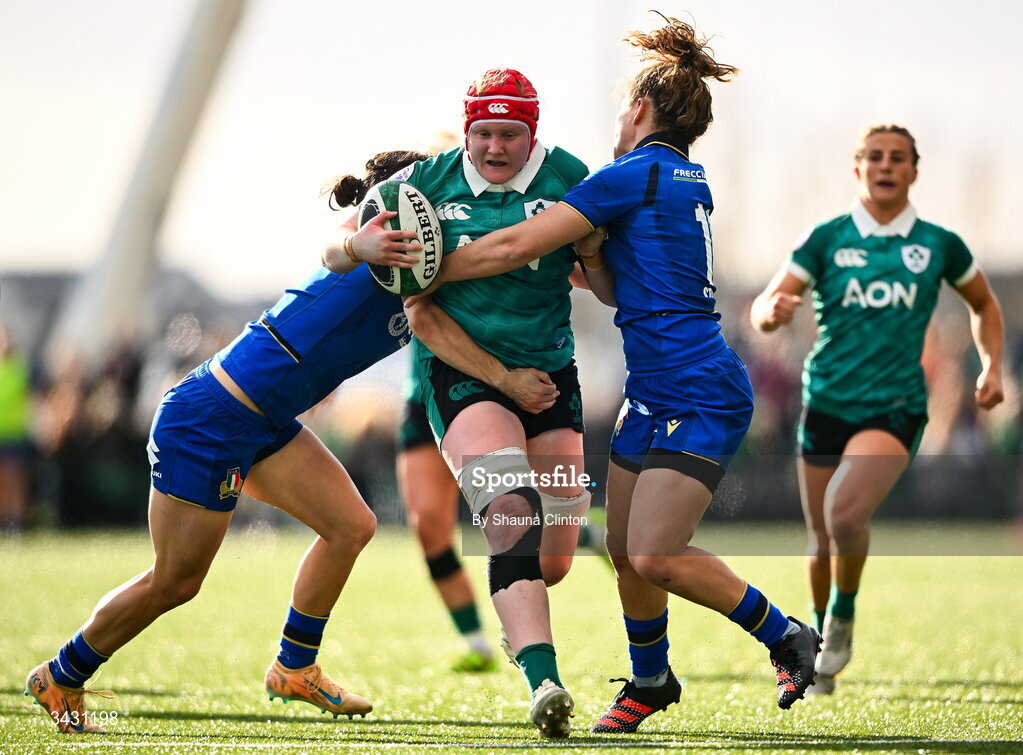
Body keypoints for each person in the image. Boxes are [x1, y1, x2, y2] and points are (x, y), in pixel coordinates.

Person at [24, 150, 555, 735]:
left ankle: (294, 665)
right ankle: (62, 672)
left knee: (352, 526)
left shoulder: (415, 277)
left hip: (265, 423)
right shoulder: (366, 244)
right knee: (176, 580)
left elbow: (488, 264)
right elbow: (336, 247)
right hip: (210, 418)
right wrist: (361, 247)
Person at [428, 14, 824, 733]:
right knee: (622, 549)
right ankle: (649, 679)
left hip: (697, 388)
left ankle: (787, 635)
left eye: (622, 106)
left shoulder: (630, 176)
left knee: (654, 552)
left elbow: (516, 242)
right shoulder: (678, 175)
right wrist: (583, 254)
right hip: (657, 389)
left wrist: (428, 268)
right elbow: (612, 282)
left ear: (638, 110)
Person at [326, 68, 591, 738]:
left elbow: (604, 279)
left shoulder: (569, 175)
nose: (495, 147)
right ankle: (544, 681)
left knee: (554, 557)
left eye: (510, 134)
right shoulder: (420, 189)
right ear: (465, 129)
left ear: (533, 133)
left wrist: (600, 254)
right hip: (468, 377)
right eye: (483, 133)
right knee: (508, 512)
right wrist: (356, 246)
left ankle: (516, 620)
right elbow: (404, 302)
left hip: (553, 376)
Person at [750, 124, 1005, 694]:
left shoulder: (939, 244)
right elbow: (766, 306)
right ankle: (814, 644)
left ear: (914, 171)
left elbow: (984, 305)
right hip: (825, 402)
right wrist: (774, 312)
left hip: (894, 407)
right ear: (856, 167)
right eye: (874, 156)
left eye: (897, 158)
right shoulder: (826, 237)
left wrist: (988, 366)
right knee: (819, 537)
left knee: (844, 512)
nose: (885, 165)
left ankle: (840, 621)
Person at [395, 370, 497, 672]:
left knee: (508, 515)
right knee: (428, 528)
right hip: (424, 393)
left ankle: (585, 533)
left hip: (484, 387)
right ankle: (476, 643)